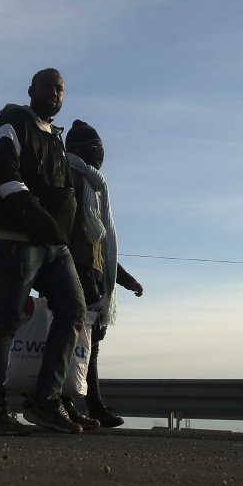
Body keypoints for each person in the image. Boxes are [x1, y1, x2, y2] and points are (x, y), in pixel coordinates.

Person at [0, 69, 87, 435]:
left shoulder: (56, 138)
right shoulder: (10, 124)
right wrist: (30, 210)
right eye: (48, 87)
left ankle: (45, 401)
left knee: (73, 310)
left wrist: (61, 234)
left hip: (53, 245)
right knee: (5, 319)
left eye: (60, 89)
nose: (55, 93)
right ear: (31, 90)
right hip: (12, 239)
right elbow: (2, 171)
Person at [64, 120, 144, 429]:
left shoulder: (95, 188)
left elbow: (102, 247)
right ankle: (71, 403)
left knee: (88, 345)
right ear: (88, 152)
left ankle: (89, 404)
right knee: (72, 344)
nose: (101, 156)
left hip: (93, 275)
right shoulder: (71, 176)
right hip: (72, 270)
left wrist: (125, 280)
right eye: (98, 150)